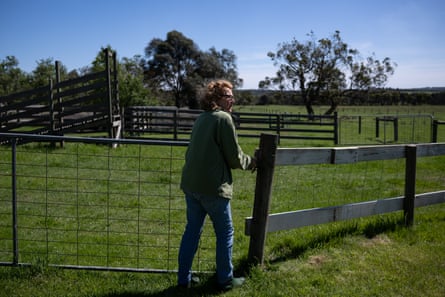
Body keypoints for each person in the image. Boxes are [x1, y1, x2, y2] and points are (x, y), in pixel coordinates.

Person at [178, 79, 256, 291]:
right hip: (213, 188)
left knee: (192, 231)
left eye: (232, 96)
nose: (232, 100)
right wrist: (252, 162)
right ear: (216, 99)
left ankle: (183, 280)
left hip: (191, 185)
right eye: (228, 96)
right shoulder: (224, 119)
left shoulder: (201, 118)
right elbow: (234, 157)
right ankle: (225, 280)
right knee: (225, 233)